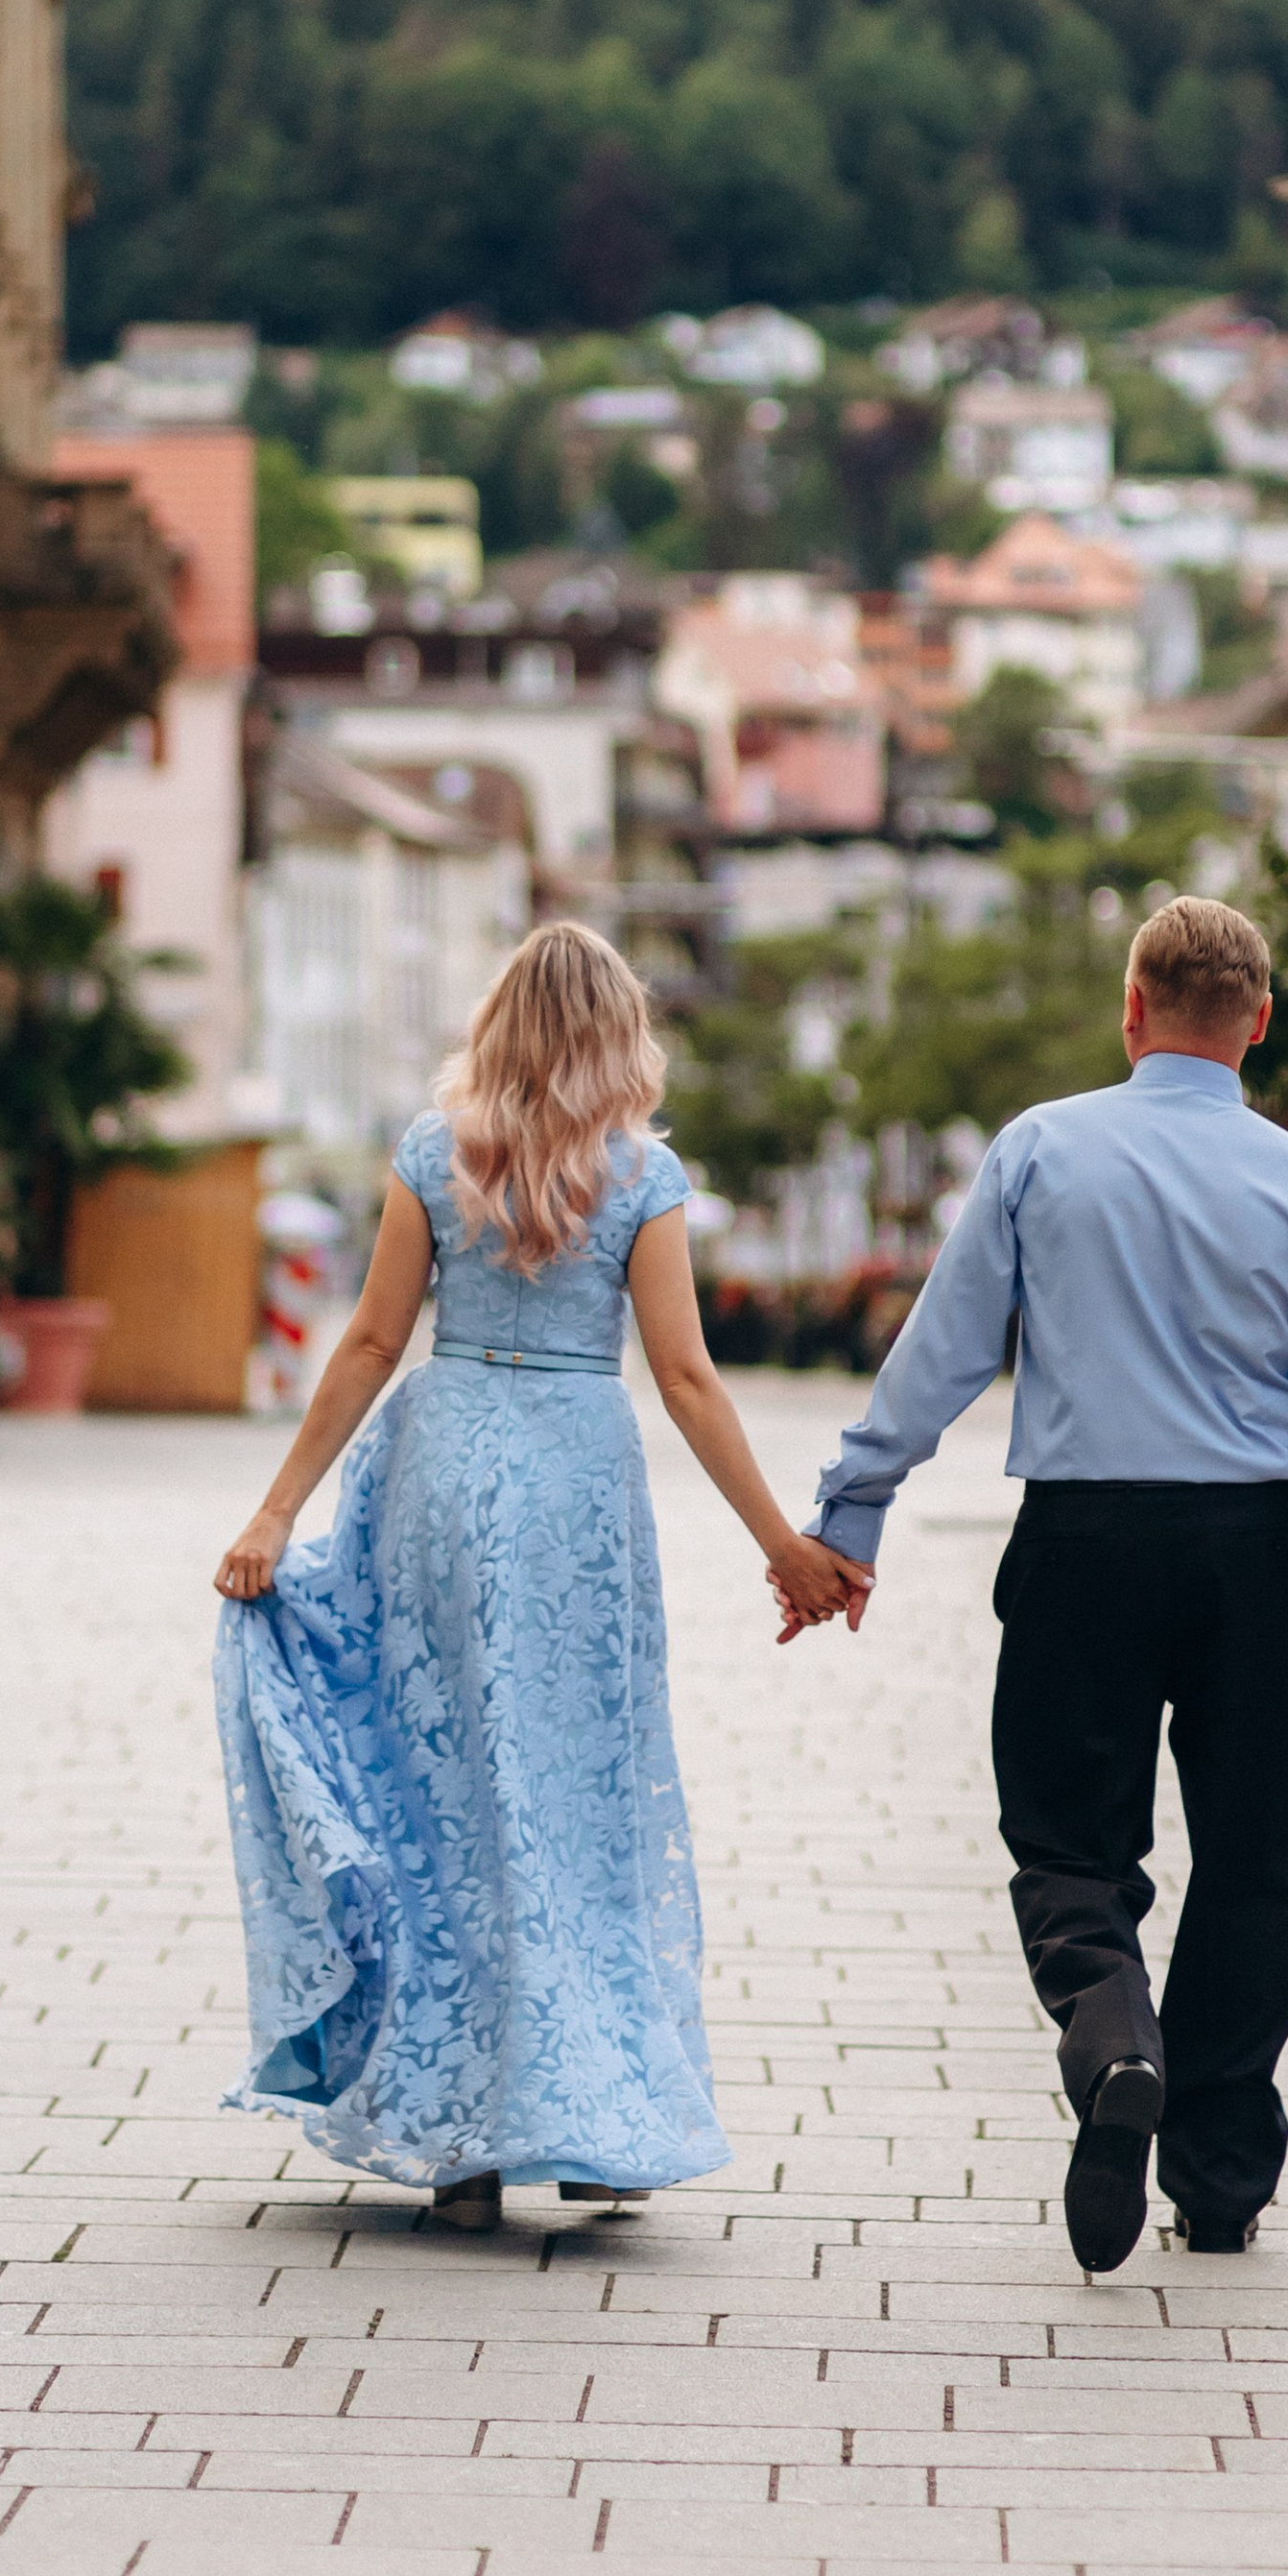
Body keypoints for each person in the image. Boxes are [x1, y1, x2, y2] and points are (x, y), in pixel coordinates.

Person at [773, 894, 1288, 2275]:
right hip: (1258, 1552)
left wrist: (854, 1509)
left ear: (1131, 1009)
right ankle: (1219, 2179)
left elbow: (945, 1347)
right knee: (1253, 1859)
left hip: (1085, 1540)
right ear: (1258, 1024)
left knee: (1067, 1839)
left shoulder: (1040, 1149)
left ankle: (1113, 2031)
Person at [210, 921, 826, 2229]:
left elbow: (371, 1341)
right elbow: (685, 1376)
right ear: (619, 1031)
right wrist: (781, 1543)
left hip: (438, 1473)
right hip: (574, 1487)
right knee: (575, 1801)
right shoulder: (645, 1177)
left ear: (496, 1021)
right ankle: (591, 2129)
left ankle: (464, 2148)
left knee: (445, 1794)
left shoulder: (434, 1154)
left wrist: (275, 1511)